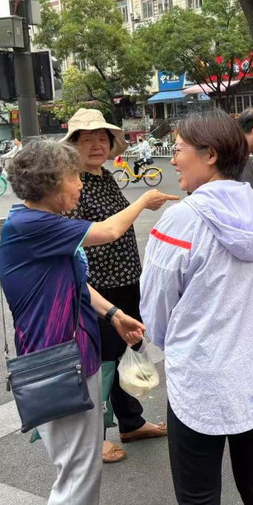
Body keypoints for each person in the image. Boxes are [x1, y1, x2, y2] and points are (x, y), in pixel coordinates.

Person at [0, 139, 175, 505]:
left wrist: (113, 314)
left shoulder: (44, 223)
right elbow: (109, 231)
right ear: (50, 182)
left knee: (83, 465)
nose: (80, 184)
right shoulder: (32, 224)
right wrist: (143, 200)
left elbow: (75, 281)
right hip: (56, 363)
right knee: (78, 472)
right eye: (73, 176)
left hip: (75, 356)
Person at [140, 109, 253, 505]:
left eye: (178, 149)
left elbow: (156, 309)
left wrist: (173, 341)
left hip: (200, 378)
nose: (172, 159)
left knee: (199, 495)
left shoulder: (181, 221)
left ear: (210, 155)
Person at [62, 108, 169, 464]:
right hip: (97, 286)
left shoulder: (106, 176)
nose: (97, 145)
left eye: (102, 138)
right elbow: (96, 232)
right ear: (73, 145)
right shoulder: (71, 182)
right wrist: (141, 203)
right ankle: (94, 436)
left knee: (127, 349)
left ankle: (131, 421)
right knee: (101, 360)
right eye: (87, 139)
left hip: (125, 279)